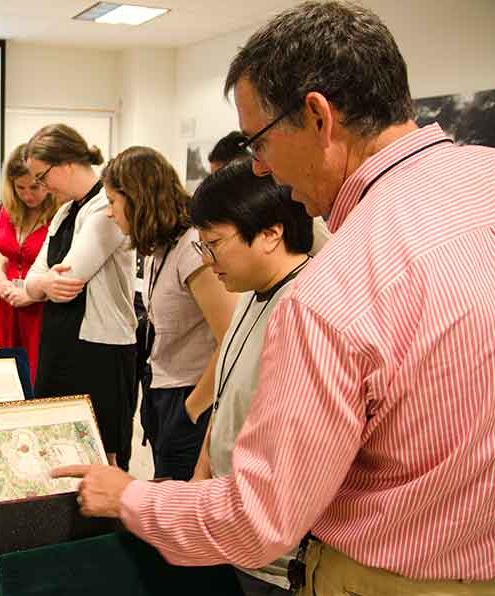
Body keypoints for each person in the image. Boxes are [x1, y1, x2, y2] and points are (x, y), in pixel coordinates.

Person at [54, 2, 495, 594]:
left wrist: (132, 497)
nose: (260, 168)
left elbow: (260, 519)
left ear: (318, 117)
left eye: (257, 141)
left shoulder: (338, 286)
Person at [188, 161, 314, 595]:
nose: (208, 260)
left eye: (215, 244)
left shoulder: (307, 309)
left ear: (270, 233)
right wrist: (201, 474)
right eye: (201, 245)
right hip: (233, 531)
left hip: (280, 559)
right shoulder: (246, 291)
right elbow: (227, 399)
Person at [101, 146, 237, 481]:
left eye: (113, 202)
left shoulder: (192, 248)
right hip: (163, 390)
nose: (109, 213)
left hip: (190, 396)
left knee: (178, 510)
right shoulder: (158, 248)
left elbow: (229, 338)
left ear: (137, 199)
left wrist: (190, 410)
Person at [13, 124, 136, 465]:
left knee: (100, 453)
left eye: (42, 175)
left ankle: (102, 521)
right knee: (56, 443)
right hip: (60, 340)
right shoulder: (66, 211)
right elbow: (32, 281)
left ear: (66, 162)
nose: (42, 186)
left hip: (99, 349)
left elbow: (70, 278)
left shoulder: (105, 208)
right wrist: (41, 286)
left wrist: (42, 286)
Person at [0, 143, 57, 385]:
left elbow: (67, 271)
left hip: (42, 307)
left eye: (35, 187)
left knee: (37, 377)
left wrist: (32, 295)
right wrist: (0, 280)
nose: (28, 195)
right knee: (9, 375)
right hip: (9, 305)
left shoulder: (59, 215)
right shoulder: (7, 211)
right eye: (20, 188)